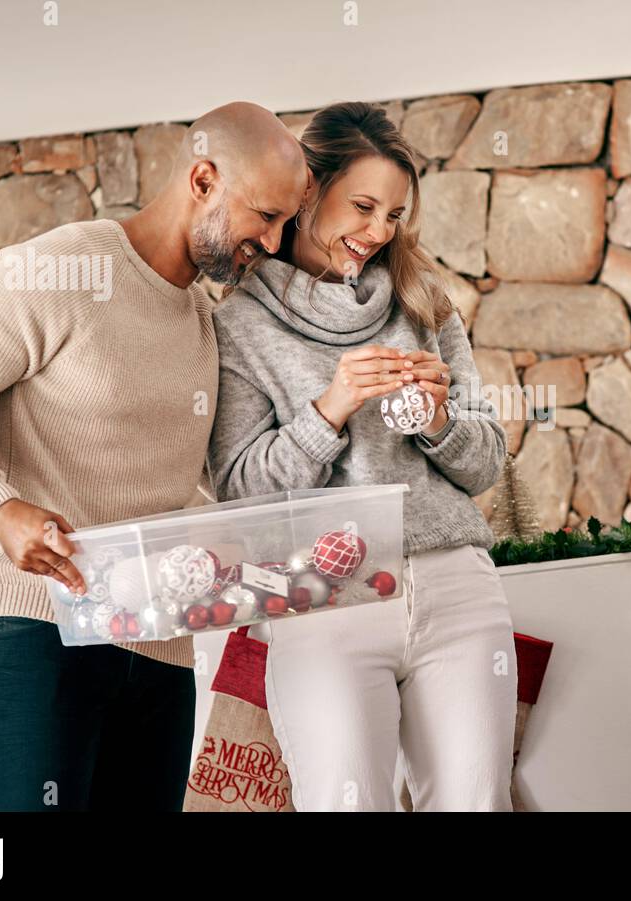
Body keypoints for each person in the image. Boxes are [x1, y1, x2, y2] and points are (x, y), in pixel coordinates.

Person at [0, 101, 309, 811]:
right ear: (203, 179)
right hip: (32, 631)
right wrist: (0, 509)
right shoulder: (58, 270)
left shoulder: (204, 325)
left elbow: (201, 485)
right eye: (264, 216)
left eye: (282, 225)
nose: (270, 242)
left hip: (157, 649)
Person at [207, 101, 518, 811]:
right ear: (308, 190)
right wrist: (330, 410)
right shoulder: (240, 326)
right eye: (365, 206)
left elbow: (485, 463)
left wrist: (440, 422)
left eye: (395, 215)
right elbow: (239, 492)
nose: (378, 231)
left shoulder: (422, 301)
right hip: (324, 598)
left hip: (455, 588)